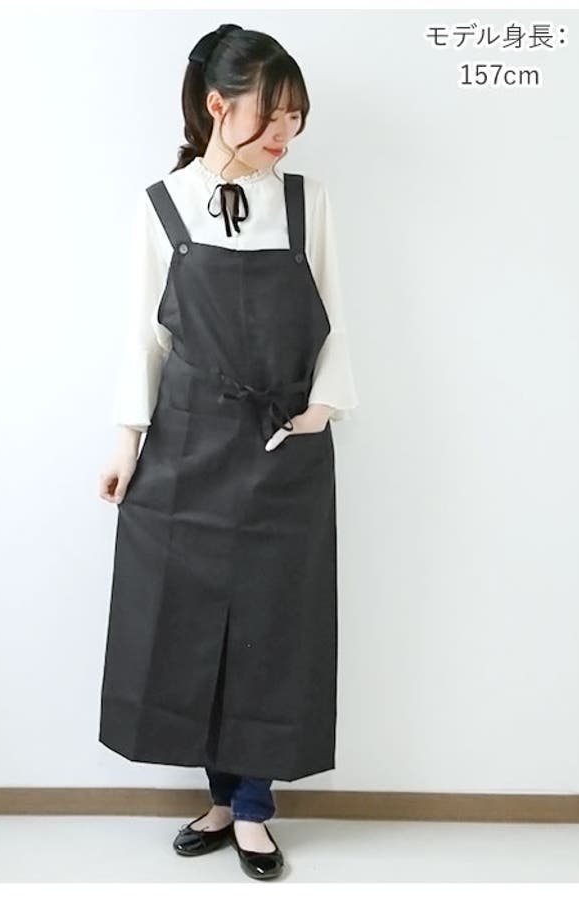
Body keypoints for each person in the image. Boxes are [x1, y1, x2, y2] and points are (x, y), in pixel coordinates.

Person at [97, 23, 359, 881]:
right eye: (271, 115)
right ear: (219, 105)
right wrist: (127, 440)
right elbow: (144, 337)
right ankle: (218, 796)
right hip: (186, 443)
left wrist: (323, 407)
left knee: (275, 625)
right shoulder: (164, 204)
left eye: (296, 118)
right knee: (186, 621)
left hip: (283, 441)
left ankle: (252, 808)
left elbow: (334, 315)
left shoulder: (306, 202)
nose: (286, 133)